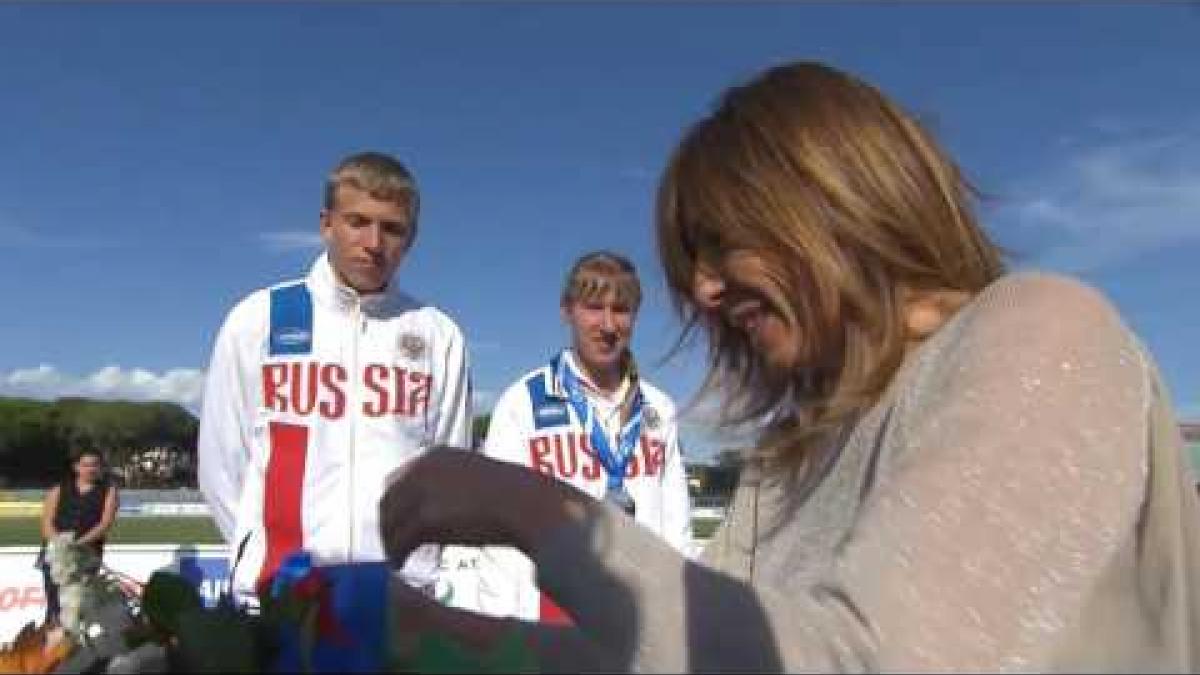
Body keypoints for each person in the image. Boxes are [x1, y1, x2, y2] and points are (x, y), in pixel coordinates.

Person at [376, 60, 1200, 671]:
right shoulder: (791, 452)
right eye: (691, 259)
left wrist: (539, 513)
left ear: (835, 200)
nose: (700, 289)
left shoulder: (1044, 331)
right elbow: (698, 651)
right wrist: (434, 635)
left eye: (722, 242)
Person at [198, 151, 473, 599]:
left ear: (412, 238)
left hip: (399, 600)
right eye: (357, 221)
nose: (374, 241)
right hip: (280, 594)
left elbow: (449, 474)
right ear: (327, 224)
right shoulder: (258, 319)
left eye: (392, 228)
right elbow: (222, 466)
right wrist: (261, 552)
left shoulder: (439, 336)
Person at [459, 251, 692, 623]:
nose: (608, 323)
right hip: (554, 610)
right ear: (567, 310)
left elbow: (676, 526)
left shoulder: (658, 408)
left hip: (642, 611)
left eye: (621, 309)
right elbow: (499, 527)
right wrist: (505, 636)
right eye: (594, 307)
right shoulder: (524, 401)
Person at [39, 449, 119, 626]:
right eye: (86, 465)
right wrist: (60, 544)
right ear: (76, 467)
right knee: (54, 606)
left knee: (79, 605)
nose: (90, 469)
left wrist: (78, 544)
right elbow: (46, 522)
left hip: (86, 555)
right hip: (56, 555)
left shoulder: (109, 491)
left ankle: (77, 645)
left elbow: (104, 524)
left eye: (95, 465)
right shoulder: (59, 489)